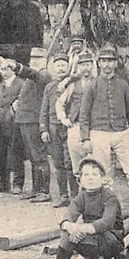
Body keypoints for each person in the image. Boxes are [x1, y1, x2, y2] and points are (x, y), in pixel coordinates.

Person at [38, 157, 125, 259]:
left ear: (103, 178)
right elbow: (67, 217)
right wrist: (70, 226)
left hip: (111, 239)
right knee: (67, 235)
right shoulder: (81, 197)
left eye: (95, 175)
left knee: (85, 238)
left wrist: (82, 229)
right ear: (80, 180)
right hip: (90, 235)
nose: (90, 178)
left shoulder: (109, 197)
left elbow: (107, 222)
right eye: (86, 175)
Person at [79, 44, 129, 205]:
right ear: (99, 63)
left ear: (116, 63)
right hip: (99, 132)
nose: (107, 65)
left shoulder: (123, 85)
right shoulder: (92, 86)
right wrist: (85, 138)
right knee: (102, 170)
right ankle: (108, 205)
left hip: (121, 132)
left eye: (110, 61)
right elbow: (84, 115)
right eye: (103, 61)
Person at [10, 48, 51, 200]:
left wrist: (15, 66)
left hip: (33, 120)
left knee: (39, 156)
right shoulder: (32, 77)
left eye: (38, 59)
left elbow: (32, 74)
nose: (33, 61)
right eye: (32, 58)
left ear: (45, 61)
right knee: (34, 157)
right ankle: (36, 189)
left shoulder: (44, 75)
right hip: (24, 120)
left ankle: (44, 191)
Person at [40, 52, 77, 207]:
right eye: (58, 66)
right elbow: (44, 109)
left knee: (71, 162)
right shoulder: (49, 87)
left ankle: (75, 197)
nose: (61, 69)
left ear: (68, 67)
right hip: (54, 128)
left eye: (63, 65)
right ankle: (63, 196)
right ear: (54, 68)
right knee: (58, 162)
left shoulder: (74, 84)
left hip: (70, 127)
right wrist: (44, 129)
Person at [55, 48, 95, 179]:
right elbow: (59, 103)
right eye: (83, 65)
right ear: (78, 66)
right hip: (75, 127)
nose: (86, 68)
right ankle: (78, 196)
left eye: (88, 64)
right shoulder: (73, 85)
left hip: (94, 128)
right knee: (76, 165)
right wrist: (63, 118)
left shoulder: (98, 82)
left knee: (94, 163)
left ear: (92, 65)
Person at [0, 58, 22, 192]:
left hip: (14, 124)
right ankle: (3, 182)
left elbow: (22, 101)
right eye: (1, 69)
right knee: (0, 154)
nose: (3, 72)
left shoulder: (21, 84)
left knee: (16, 153)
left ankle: (17, 184)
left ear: (12, 69)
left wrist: (14, 108)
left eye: (6, 69)